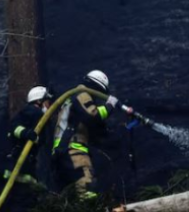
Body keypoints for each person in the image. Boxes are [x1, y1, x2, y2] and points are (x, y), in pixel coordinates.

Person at [51, 70, 131, 200]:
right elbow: (92, 116)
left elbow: (95, 128)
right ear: (97, 87)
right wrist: (109, 106)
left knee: (68, 194)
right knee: (86, 185)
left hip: (64, 150)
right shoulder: (82, 94)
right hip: (72, 149)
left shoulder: (73, 99)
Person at [0, 86, 53, 187]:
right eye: (48, 102)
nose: (49, 106)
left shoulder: (32, 114)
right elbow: (14, 127)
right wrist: (26, 133)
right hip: (14, 168)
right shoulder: (33, 112)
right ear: (39, 101)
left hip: (18, 170)